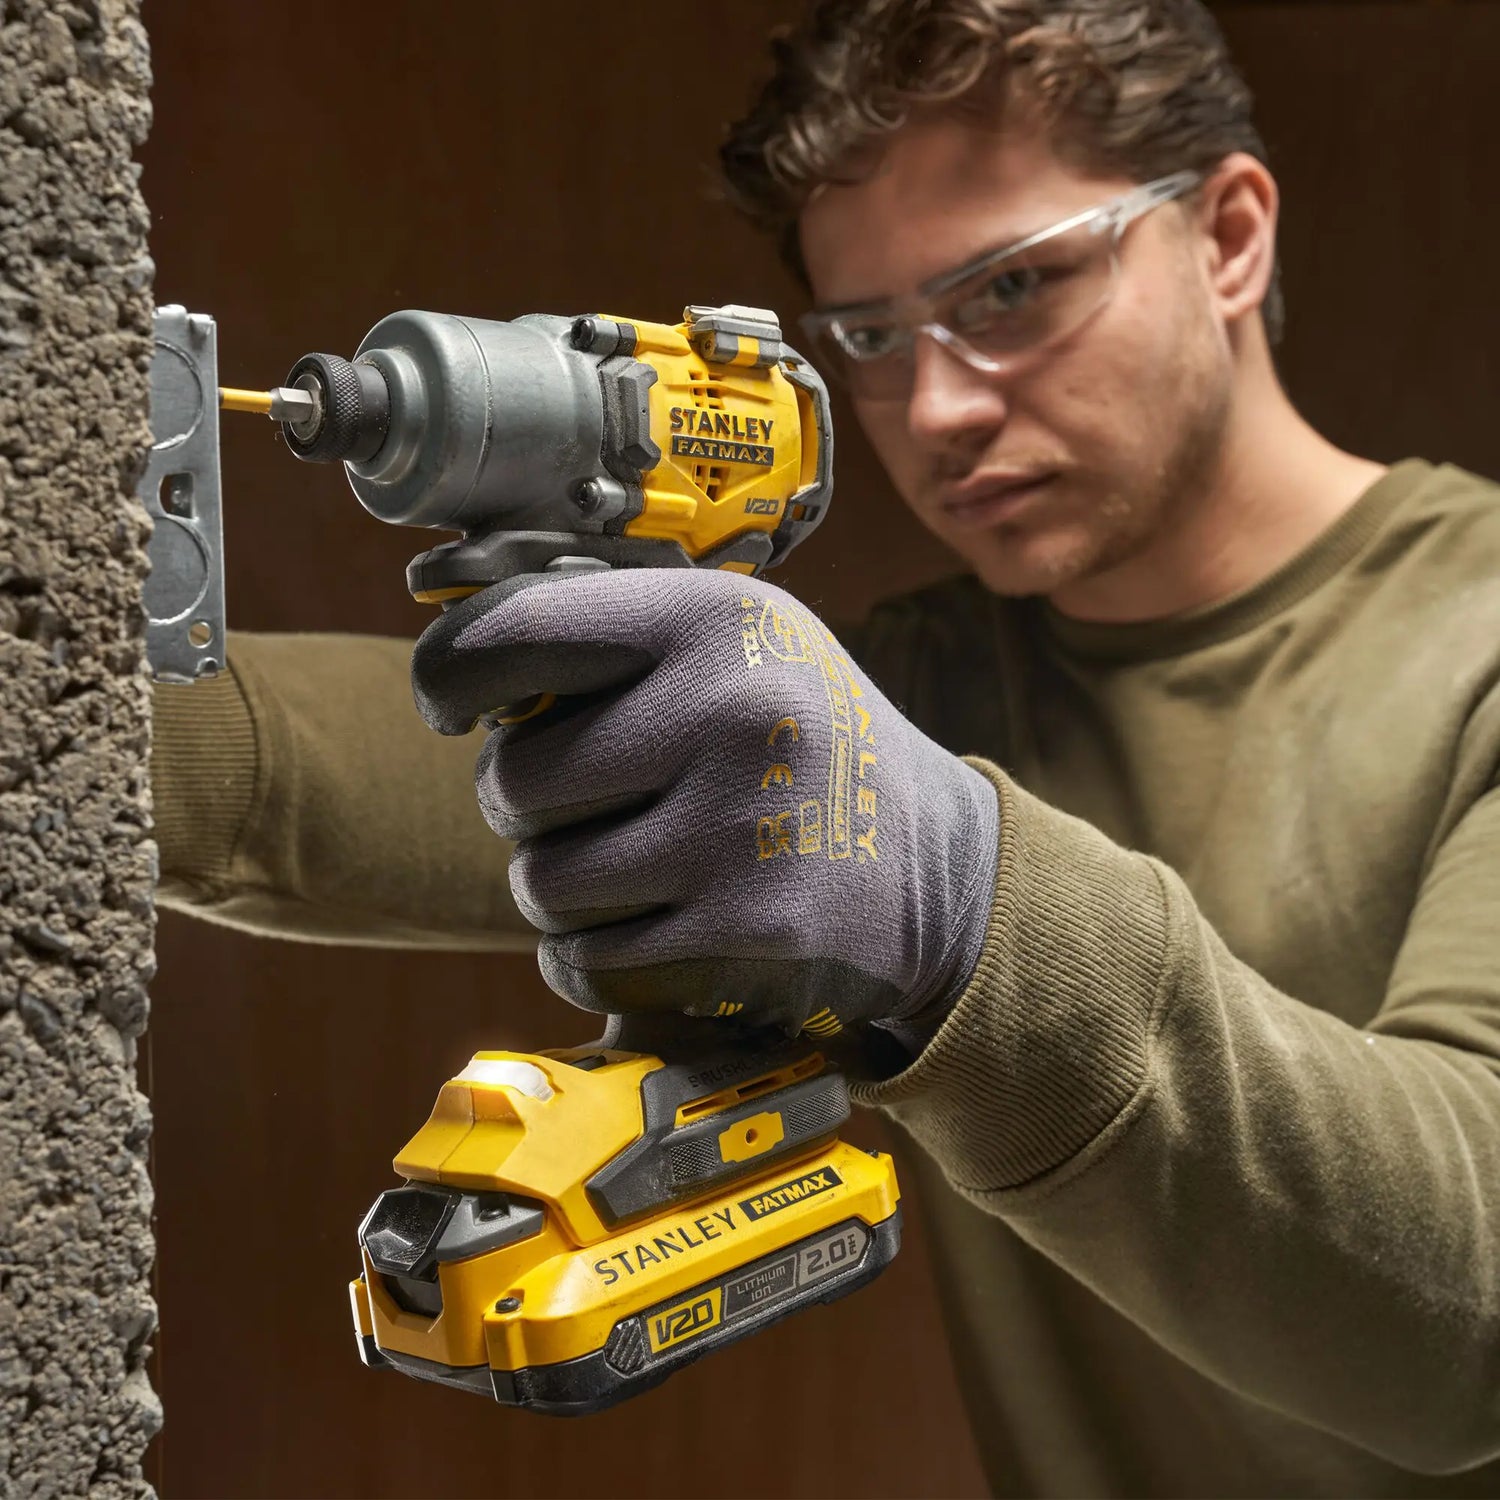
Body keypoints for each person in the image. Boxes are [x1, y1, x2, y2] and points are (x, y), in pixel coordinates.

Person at [152, 1, 1500, 1493]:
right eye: (868, 335)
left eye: (1012, 288)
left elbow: (1478, 1309)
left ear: (1230, 236)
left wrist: (970, 910)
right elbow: (293, 773)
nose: (938, 407)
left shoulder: (1476, 646)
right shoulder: (911, 690)